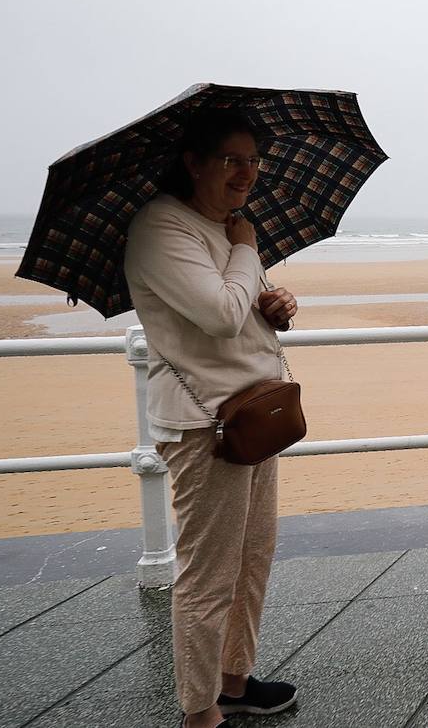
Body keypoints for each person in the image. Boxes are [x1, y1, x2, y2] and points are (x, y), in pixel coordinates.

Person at [124, 112, 300, 728]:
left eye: (253, 159)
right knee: (208, 574)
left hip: (255, 412)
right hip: (206, 428)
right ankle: (200, 712)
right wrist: (248, 248)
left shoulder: (223, 229)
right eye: (231, 159)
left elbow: (243, 308)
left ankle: (233, 680)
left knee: (253, 558)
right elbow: (222, 314)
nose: (246, 172)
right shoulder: (160, 228)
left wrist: (276, 305)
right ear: (193, 162)